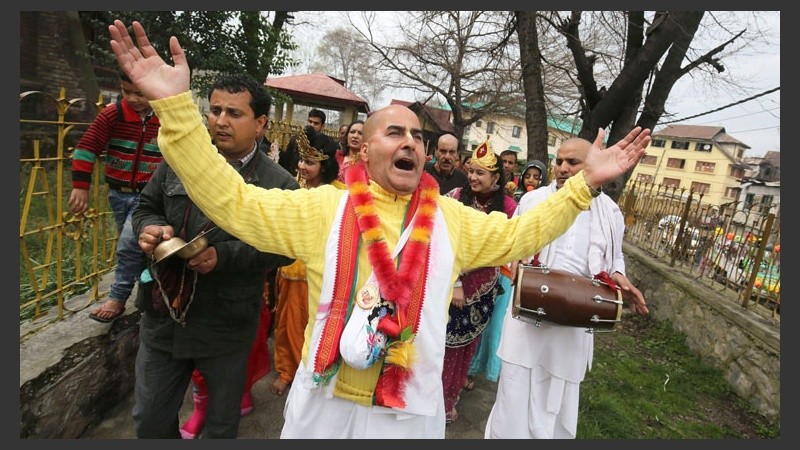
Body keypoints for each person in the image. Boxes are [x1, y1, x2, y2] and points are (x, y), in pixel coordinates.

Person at [108, 19, 650, 438]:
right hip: (324, 407)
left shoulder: (454, 221)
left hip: (409, 410)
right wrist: (176, 108)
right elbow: (231, 201)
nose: (411, 141)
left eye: (417, 134)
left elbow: (519, 238)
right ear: (365, 149)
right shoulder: (321, 209)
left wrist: (584, 187)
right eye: (395, 132)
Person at [130, 72, 298, 438]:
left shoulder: (279, 184)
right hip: (165, 318)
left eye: (234, 114)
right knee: (150, 421)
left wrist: (223, 257)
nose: (220, 121)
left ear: (260, 123)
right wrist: (152, 229)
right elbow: (146, 206)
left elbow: (286, 247)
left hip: (226, 323)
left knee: (221, 427)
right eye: (215, 110)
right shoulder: (181, 159)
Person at [485, 137, 650, 439]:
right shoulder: (533, 201)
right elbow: (514, 245)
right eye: (559, 161)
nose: (562, 168)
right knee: (514, 393)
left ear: (592, 163)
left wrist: (619, 277)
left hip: (574, 322)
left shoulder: (610, 212)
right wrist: (515, 263)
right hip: (528, 319)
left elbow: (612, 257)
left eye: (572, 162)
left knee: (556, 403)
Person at [69, 71, 162, 323]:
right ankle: (149, 294)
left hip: (149, 197)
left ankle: (118, 298)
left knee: (128, 245)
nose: (132, 98)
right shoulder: (114, 114)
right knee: (140, 249)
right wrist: (81, 186)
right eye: (126, 91)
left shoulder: (166, 118)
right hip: (119, 195)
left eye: (140, 93)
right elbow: (87, 147)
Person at [440, 141, 517, 423]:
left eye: (481, 174)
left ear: (496, 178)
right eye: (471, 171)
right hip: (450, 285)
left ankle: (448, 401)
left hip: (483, 290)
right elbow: (444, 241)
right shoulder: (454, 196)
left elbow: (507, 247)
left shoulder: (508, 207)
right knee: (443, 347)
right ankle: (434, 403)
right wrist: (456, 282)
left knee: (466, 349)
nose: (473, 177)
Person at [270, 126, 345, 398]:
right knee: (286, 325)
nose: (302, 166)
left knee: (318, 326)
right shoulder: (293, 186)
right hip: (291, 269)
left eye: (310, 162)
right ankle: (286, 371)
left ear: (325, 165)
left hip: (325, 273)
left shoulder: (340, 193)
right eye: (301, 160)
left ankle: (313, 370)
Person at [279, 108, 336, 176]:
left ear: (322, 126)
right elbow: (287, 161)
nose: (312, 125)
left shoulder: (327, 143)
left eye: (316, 123)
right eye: (310, 121)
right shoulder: (295, 140)